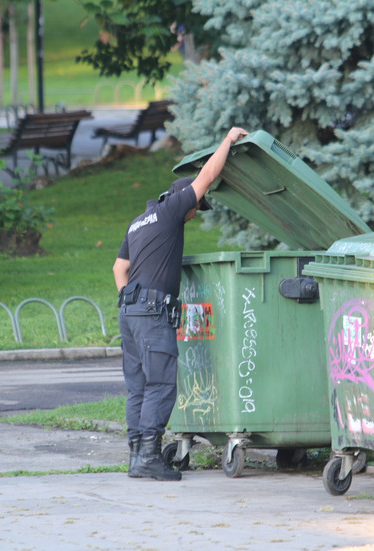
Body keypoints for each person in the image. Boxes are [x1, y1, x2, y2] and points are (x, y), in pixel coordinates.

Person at [113, 126, 249, 481]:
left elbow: (119, 268)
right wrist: (229, 140)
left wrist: (130, 301)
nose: (195, 214)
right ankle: (149, 458)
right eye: (196, 209)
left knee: (139, 387)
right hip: (152, 313)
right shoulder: (172, 209)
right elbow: (207, 175)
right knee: (160, 385)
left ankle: (136, 456)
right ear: (183, 200)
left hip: (129, 313)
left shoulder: (138, 222)